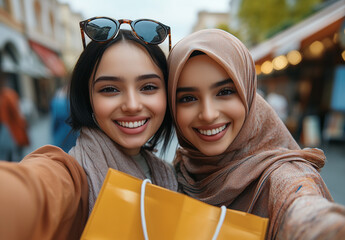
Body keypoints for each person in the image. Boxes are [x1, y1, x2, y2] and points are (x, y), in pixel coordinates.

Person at [0, 18, 177, 239]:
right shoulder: (73, 177)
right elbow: (34, 190)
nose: (132, 105)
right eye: (110, 89)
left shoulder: (169, 174)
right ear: (88, 98)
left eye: (148, 87)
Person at [167, 29, 345, 239]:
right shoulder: (178, 171)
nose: (208, 114)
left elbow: (305, 209)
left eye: (224, 92)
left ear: (248, 93)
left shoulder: (283, 176)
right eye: (188, 98)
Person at [0, 69, 30, 161]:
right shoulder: (9, 95)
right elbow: (19, 117)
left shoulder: (8, 95)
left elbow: (18, 117)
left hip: (12, 135)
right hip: (11, 135)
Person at [51, 84, 78, 152]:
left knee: (61, 150)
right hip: (72, 132)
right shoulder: (74, 103)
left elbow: (55, 121)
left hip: (60, 133)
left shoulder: (56, 103)